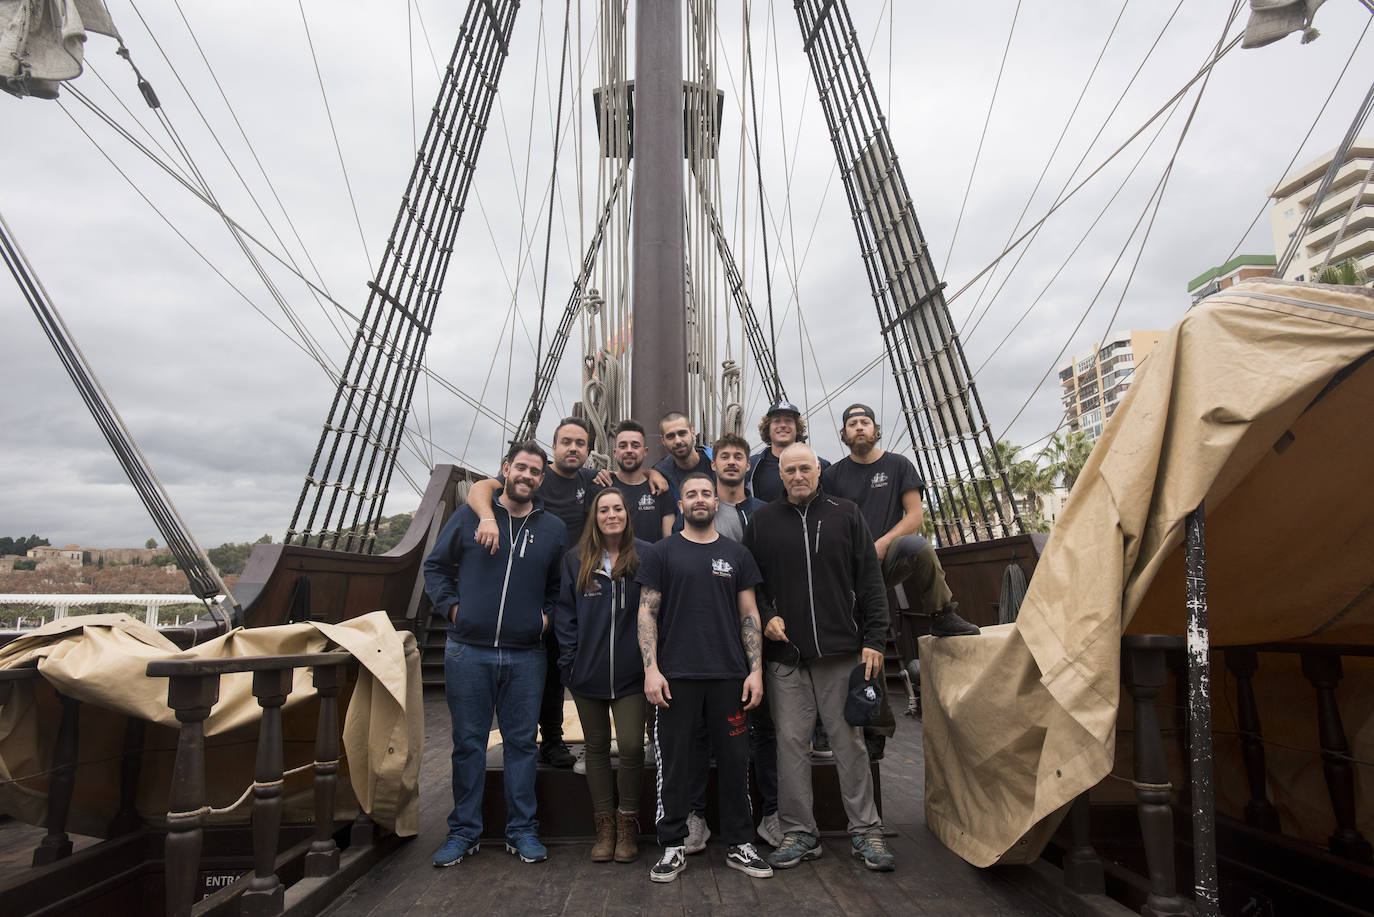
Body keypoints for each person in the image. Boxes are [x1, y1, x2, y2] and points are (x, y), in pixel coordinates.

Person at [741, 443, 895, 872]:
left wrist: (875, 639)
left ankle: (866, 831)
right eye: (789, 470)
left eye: (804, 468)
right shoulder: (763, 521)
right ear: (781, 475)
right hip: (785, 654)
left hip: (841, 650)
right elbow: (751, 583)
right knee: (790, 743)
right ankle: (799, 831)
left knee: (849, 742)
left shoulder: (846, 513)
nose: (797, 476)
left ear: (818, 470)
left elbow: (869, 579)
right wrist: (767, 616)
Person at [424, 441, 567, 868]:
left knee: (522, 744)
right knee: (468, 744)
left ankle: (521, 830)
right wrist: (453, 609)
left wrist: (543, 622)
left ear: (542, 479)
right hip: (468, 650)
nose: (526, 476)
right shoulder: (471, 515)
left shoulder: (553, 529)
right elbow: (435, 567)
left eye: (535, 471)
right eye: (520, 467)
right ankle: (463, 831)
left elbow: (559, 590)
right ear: (506, 469)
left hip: (526, 654)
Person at [636, 470, 773, 883]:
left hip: (728, 676)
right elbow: (647, 612)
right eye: (691, 494)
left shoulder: (736, 554)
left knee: (734, 763)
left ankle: (739, 843)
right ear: (680, 506)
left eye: (706, 494)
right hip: (676, 677)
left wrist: (756, 672)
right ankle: (673, 845)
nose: (699, 499)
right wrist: (651, 670)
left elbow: (749, 614)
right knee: (674, 764)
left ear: (717, 503)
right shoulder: (661, 553)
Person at [466, 417, 603, 769]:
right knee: (541, 670)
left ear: (588, 450)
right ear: (554, 447)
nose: (573, 448)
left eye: (580, 443)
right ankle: (544, 738)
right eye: (566, 442)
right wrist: (486, 517)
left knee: (570, 667)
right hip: (535, 589)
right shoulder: (536, 476)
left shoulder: (591, 479)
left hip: (577, 589)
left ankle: (570, 739)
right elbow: (481, 488)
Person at [820, 404, 979, 639]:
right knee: (860, 635)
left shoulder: (899, 465)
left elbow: (915, 516)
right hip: (849, 564)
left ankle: (941, 615)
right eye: (852, 425)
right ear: (844, 434)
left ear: (875, 429)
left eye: (865, 422)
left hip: (887, 557)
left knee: (919, 547)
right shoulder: (832, 476)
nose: (859, 428)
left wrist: (882, 544)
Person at [554, 488, 652, 863]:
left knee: (629, 746)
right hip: (587, 673)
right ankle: (605, 827)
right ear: (594, 516)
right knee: (595, 748)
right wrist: (571, 662)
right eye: (603, 509)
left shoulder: (646, 555)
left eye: (618, 509)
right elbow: (566, 614)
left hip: (631, 676)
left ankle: (627, 823)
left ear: (627, 514)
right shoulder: (576, 559)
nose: (611, 515)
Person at [746, 400, 829, 503]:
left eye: (788, 420)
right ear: (768, 428)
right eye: (777, 421)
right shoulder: (751, 467)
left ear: (797, 428)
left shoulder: (820, 466)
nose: (783, 425)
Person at [609, 420, 674, 543]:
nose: (629, 450)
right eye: (623, 446)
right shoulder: (602, 487)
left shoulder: (660, 489)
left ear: (645, 452)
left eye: (635, 446)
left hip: (651, 561)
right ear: (615, 453)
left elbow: (668, 539)